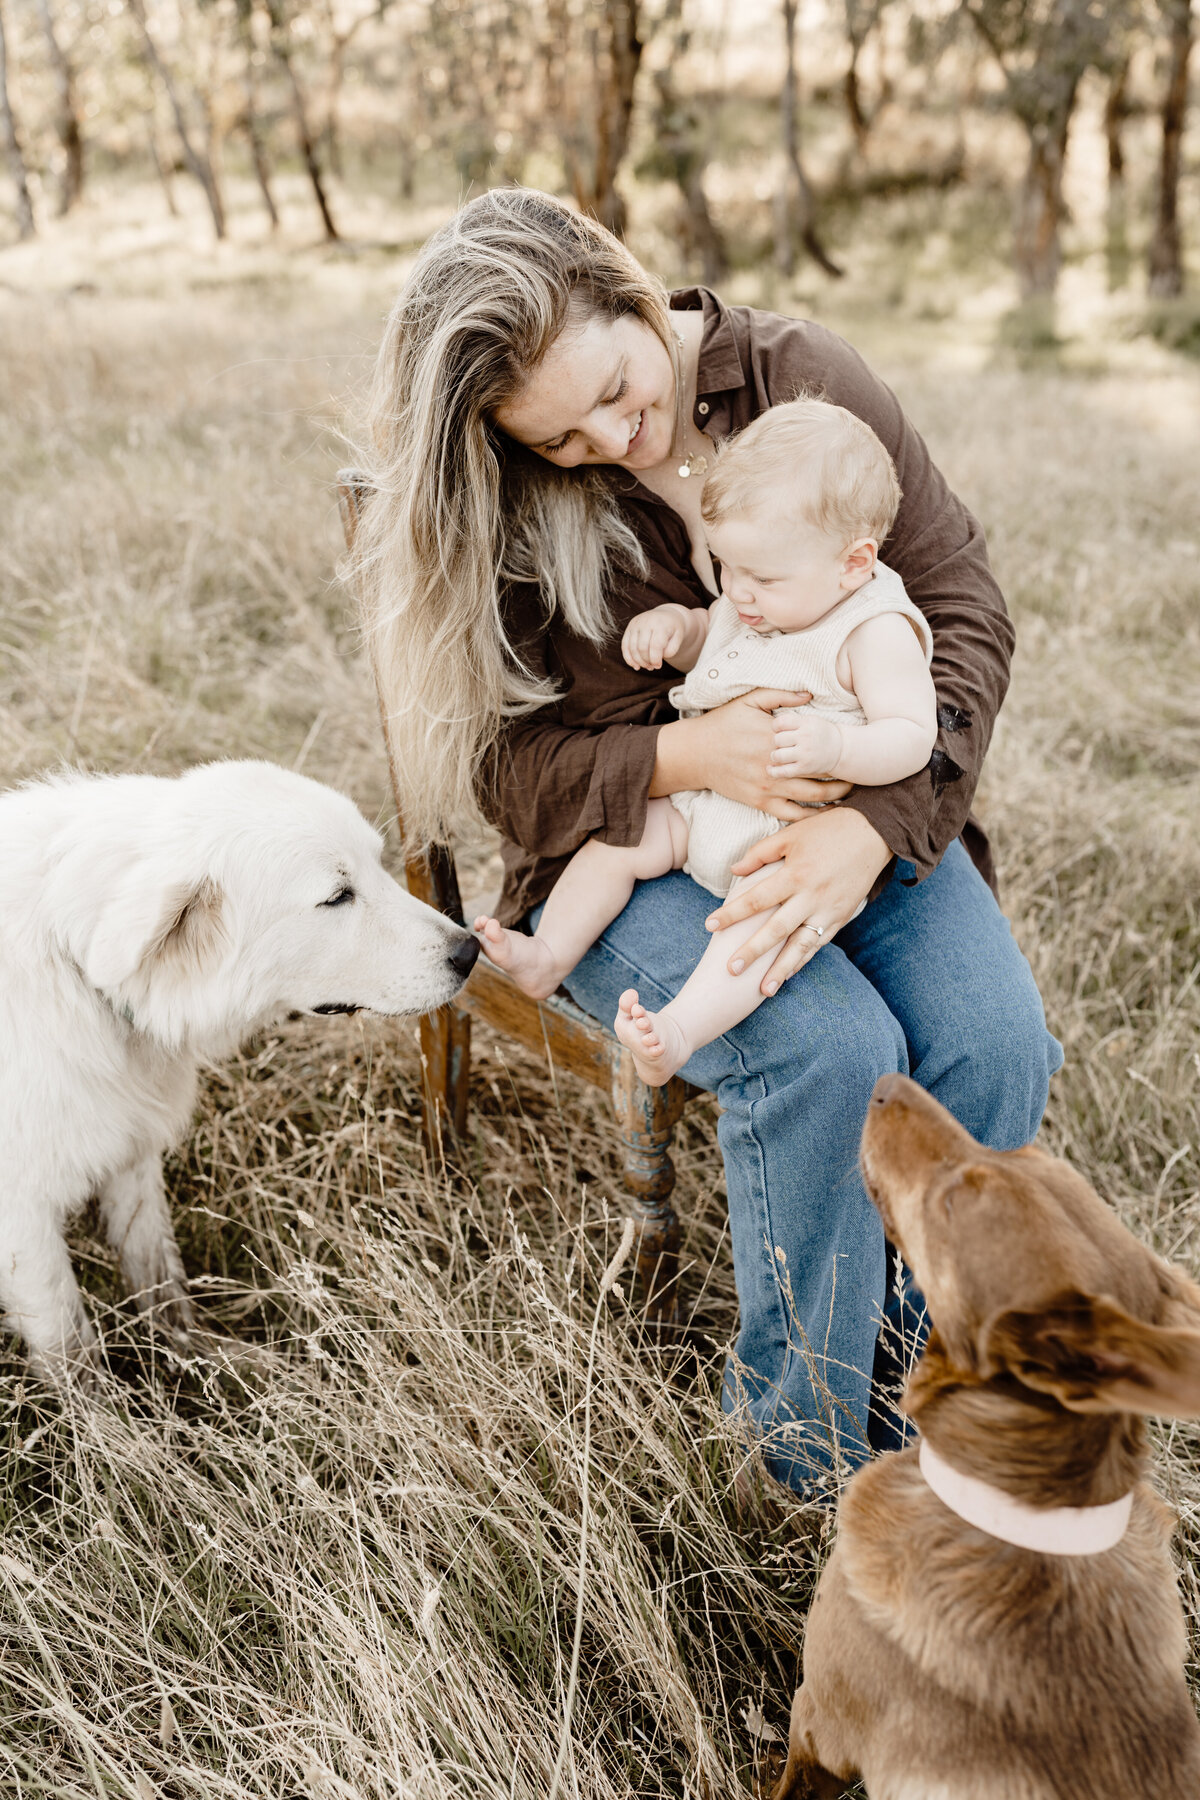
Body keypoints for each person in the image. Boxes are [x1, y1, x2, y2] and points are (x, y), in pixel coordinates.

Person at [351, 186, 1062, 1492]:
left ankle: (907, 1410)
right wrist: (688, 752)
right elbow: (512, 773)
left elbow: (963, 608)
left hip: (862, 790)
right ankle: (795, 1466)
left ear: (628, 292)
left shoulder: (797, 377)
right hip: (641, 838)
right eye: (560, 438)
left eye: (617, 387)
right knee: (832, 1048)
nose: (614, 437)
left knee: (991, 1041)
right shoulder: (517, 498)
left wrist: (872, 833)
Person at [472, 399, 938, 1089]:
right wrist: (677, 631)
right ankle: (547, 956)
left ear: (854, 562)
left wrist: (837, 748)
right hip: (700, 804)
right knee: (622, 840)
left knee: (752, 932)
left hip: (786, 839)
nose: (739, 594)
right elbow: (715, 632)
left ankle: (681, 1031)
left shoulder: (873, 630)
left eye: (762, 579)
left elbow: (911, 737)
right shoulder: (761, 592)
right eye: (726, 567)